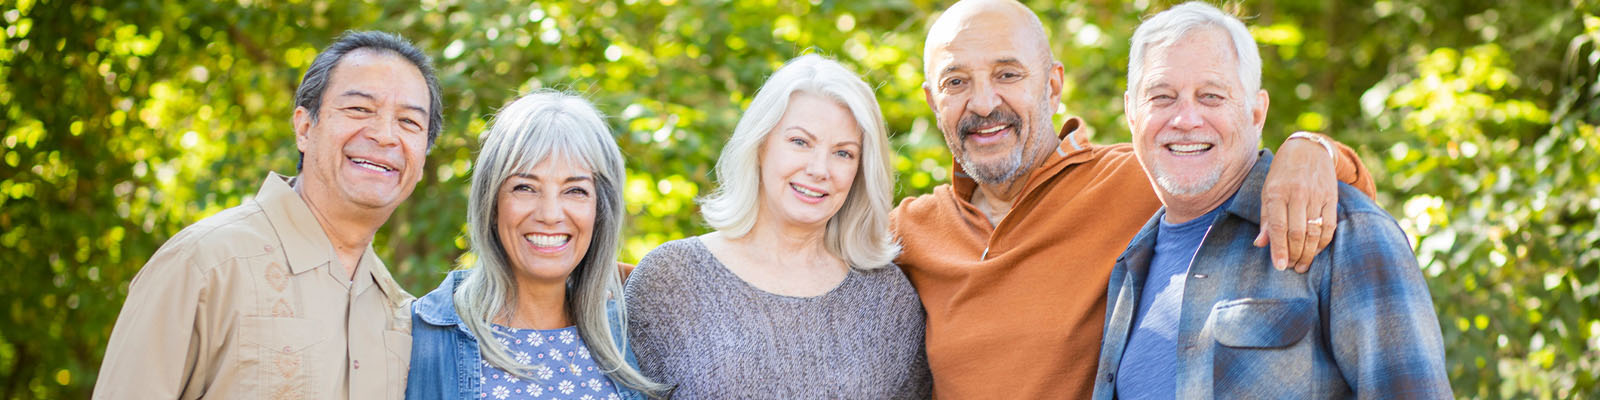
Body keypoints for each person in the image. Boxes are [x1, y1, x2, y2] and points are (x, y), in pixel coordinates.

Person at [890, 0, 1380, 397]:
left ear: (1053, 85)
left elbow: (1334, 198)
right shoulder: (909, 230)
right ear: (934, 101)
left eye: (1007, 75)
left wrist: (1312, 149)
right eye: (957, 82)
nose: (983, 103)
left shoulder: (1148, 174)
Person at [1091, 3, 1451, 398]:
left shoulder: (1341, 228)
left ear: (1256, 112)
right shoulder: (1131, 262)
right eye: (1162, 97)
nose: (1186, 119)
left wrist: (1312, 144)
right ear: (1131, 112)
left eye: (1211, 96)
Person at [92, 31, 441, 399]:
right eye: (359, 109)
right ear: (304, 128)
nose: (385, 136)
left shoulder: (400, 315)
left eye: (409, 122)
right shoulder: (206, 264)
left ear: (421, 161)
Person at [624, 54, 931, 398]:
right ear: (760, 145)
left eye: (843, 153)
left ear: (860, 170)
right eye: (800, 142)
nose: (819, 169)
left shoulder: (887, 299)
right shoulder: (670, 279)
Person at [405, 92, 667, 399]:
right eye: (525, 187)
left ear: (600, 210)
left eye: (575, 190)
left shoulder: (635, 329)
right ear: (492, 204)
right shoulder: (421, 335)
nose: (550, 214)